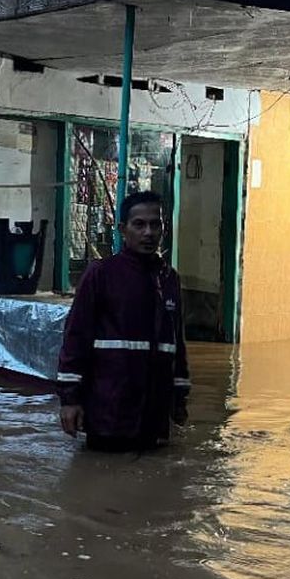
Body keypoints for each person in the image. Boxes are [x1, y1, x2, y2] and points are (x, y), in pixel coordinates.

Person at [56, 191, 191, 451]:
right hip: (108, 414)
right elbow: (76, 338)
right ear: (122, 229)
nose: (148, 232)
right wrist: (69, 400)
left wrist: (180, 397)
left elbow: (177, 344)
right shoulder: (102, 274)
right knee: (101, 484)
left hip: (153, 416)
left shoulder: (169, 279)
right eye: (139, 224)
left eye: (156, 224)